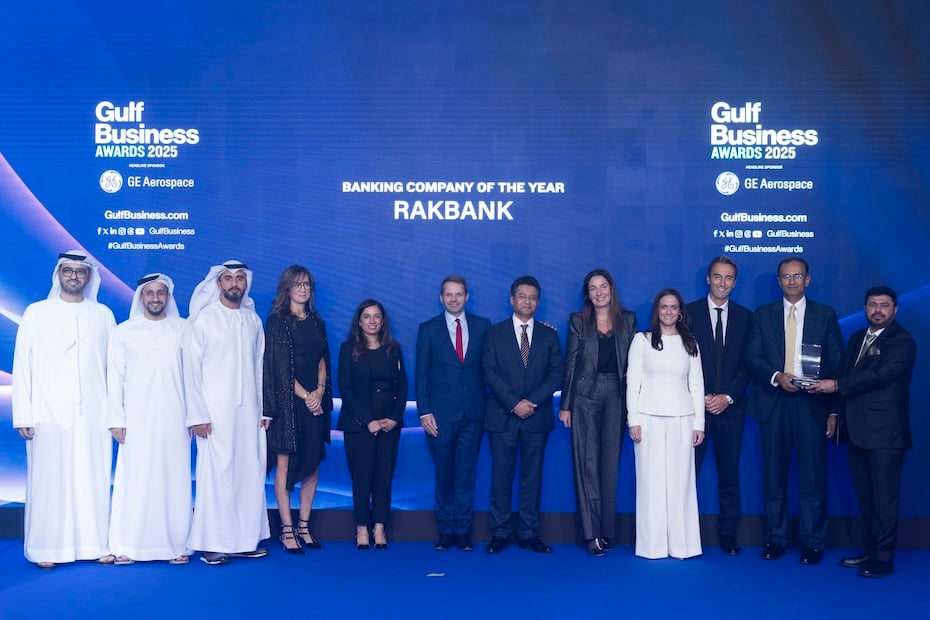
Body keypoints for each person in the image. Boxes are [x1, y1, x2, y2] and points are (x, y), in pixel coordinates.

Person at [12, 251, 116, 569]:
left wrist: (115, 414)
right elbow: (23, 366)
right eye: (68, 271)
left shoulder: (103, 315)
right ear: (59, 274)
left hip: (95, 413)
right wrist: (23, 413)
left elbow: (113, 369)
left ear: (88, 277)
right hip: (47, 413)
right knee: (49, 481)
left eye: (80, 272)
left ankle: (94, 544)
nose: (74, 276)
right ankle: (47, 548)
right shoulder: (36, 313)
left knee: (92, 477)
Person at [808, 286, 916, 578]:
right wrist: (834, 411)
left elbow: (880, 375)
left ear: (895, 309)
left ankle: (883, 559)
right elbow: (846, 374)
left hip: (886, 434)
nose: (877, 310)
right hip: (856, 431)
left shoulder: (902, 340)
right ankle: (869, 552)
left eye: (884, 305)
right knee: (867, 498)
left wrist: (836, 385)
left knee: (884, 499)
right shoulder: (858, 337)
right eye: (872, 304)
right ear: (865, 307)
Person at [744, 256, 843, 565]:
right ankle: (776, 539)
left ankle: (813, 541)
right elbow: (752, 356)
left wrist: (834, 411)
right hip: (774, 402)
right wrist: (777, 376)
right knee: (774, 476)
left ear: (807, 280)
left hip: (812, 403)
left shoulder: (825, 315)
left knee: (813, 477)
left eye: (797, 276)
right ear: (779, 281)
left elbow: (837, 363)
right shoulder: (763, 314)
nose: (792, 281)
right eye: (786, 277)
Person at [184, 260, 270, 565]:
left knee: (248, 473)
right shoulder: (205, 318)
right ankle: (213, 543)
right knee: (217, 475)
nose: (235, 283)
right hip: (214, 414)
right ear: (218, 283)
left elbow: (260, 368)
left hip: (250, 414)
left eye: (240, 278)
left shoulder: (253, 320)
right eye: (229, 278)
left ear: (246, 283)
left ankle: (245, 541)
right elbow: (191, 369)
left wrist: (264, 410)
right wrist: (197, 414)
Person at [107, 273, 191, 565]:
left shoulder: (183, 329)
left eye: (161, 293)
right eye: (150, 293)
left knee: (174, 480)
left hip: (175, 417)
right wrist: (116, 419)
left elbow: (193, 377)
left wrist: (193, 416)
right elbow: (114, 378)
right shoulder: (124, 331)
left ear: (168, 297)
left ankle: (177, 545)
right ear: (141, 297)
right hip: (135, 420)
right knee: (135, 479)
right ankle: (127, 545)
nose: (155, 298)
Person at [482, 276, 563, 554]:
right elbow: (489, 372)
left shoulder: (549, 335)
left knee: (532, 478)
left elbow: (556, 374)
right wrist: (514, 403)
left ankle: (529, 533)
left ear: (537, 302)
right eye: (522, 296)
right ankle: (499, 532)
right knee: (501, 478)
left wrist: (532, 402)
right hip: (503, 415)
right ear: (512, 300)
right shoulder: (494, 333)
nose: (527, 301)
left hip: (536, 417)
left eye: (533, 297)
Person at [559, 268, 636, 556]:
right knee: (587, 464)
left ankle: (607, 531)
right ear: (587, 295)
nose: (599, 292)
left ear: (611, 289)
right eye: (593, 288)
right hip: (584, 397)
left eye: (603, 286)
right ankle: (591, 534)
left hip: (617, 396)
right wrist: (565, 405)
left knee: (610, 465)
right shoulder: (578, 321)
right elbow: (571, 363)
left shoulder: (628, 320)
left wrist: (636, 407)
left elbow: (634, 365)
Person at [627, 288, 705, 560]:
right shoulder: (641, 340)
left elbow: (697, 385)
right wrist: (633, 419)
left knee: (681, 484)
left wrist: (699, 424)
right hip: (648, 419)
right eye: (664, 307)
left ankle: (683, 546)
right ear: (657, 311)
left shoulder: (690, 343)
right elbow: (633, 383)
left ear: (680, 312)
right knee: (651, 483)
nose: (669, 312)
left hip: (683, 419)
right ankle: (653, 546)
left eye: (673, 307)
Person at [416, 275, 491, 551]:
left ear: (467, 297)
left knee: (466, 474)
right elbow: (422, 374)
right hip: (440, 415)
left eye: (459, 294)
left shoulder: (483, 326)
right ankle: (445, 530)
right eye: (449, 294)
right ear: (441, 298)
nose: (454, 299)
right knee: (444, 473)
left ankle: (463, 531)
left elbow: (494, 363)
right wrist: (424, 412)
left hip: (474, 413)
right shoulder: (428, 329)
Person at [263, 265, 333, 554]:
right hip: (288, 406)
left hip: (314, 403)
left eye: (306, 285)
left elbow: (322, 360)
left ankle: (304, 526)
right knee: (285, 465)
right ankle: (287, 529)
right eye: (297, 285)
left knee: (313, 463)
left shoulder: (316, 321)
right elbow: (278, 368)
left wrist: (319, 392)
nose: (303, 289)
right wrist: (306, 396)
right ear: (287, 289)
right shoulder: (277, 322)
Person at [685, 256, 752, 554]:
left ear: (734, 283)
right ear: (708, 279)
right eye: (717, 276)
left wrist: (727, 397)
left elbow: (749, 363)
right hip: (695, 409)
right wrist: (700, 397)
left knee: (729, 475)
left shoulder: (747, 318)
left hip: (731, 409)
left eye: (728, 278)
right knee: (687, 473)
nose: (722, 283)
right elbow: (681, 359)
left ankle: (728, 534)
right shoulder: (688, 313)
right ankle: (684, 532)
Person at [337, 299, 408, 550]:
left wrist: (394, 418)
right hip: (359, 426)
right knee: (362, 478)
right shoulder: (348, 349)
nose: (372, 321)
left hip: (389, 425)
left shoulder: (393, 349)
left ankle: (379, 527)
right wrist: (368, 421)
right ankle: (361, 529)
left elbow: (402, 386)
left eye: (377, 316)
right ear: (359, 321)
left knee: (383, 478)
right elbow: (345, 388)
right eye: (367, 316)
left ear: (382, 320)